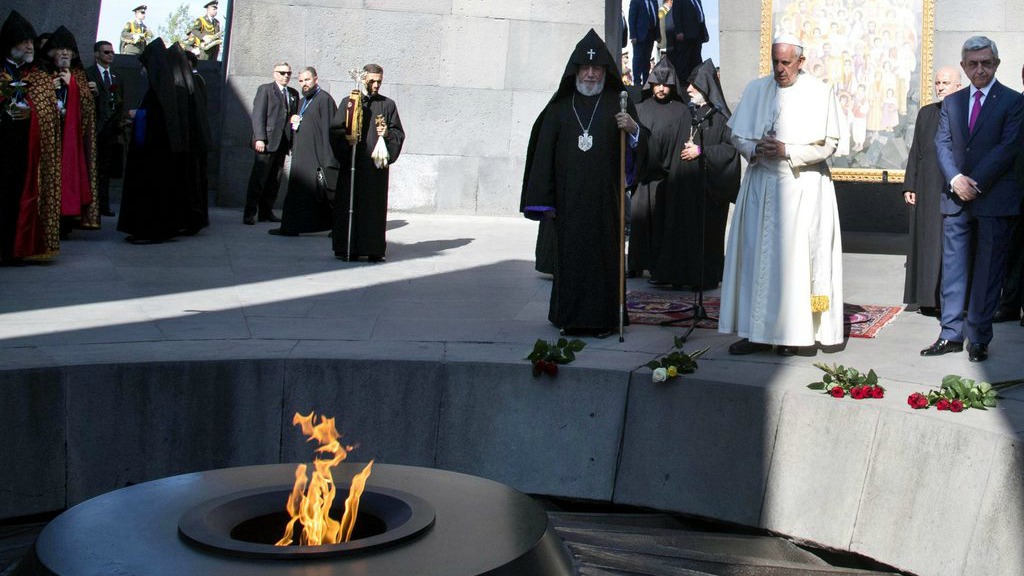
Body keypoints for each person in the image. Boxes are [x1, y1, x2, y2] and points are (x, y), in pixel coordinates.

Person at [719, 35, 843, 356]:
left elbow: (828, 144)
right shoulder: (756, 89)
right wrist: (754, 147)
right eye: (775, 61)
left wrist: (788, 150)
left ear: (801, 62)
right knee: (755, 260)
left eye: (786, 62)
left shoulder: (819, 92)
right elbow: (736, 135)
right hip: (761, 184)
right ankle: (754, 332)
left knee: (794, 264)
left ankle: (793, 334)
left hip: (802, 187)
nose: (779, 68)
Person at [520, 29, 646, 338]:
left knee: (605, 261)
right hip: (569, 202)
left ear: (605, 70)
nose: (591, 74)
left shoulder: (620, 104)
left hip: (607, 203)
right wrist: (544, 201)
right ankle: (570, 318)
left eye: (597, 68)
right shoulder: (560, 108)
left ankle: (604, 320)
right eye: (585, 68)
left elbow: (641, 153)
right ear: (576, 70)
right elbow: (543, 156)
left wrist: (633, 131)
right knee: (572, 260)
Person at [924, 36, 1024, 362]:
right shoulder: (952, 103)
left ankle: (978, 337)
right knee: (953, 270)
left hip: (993, 199)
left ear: (995, 64)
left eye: (986, 63)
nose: (979, 69)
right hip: (955, 199)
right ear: (964, 66)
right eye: (973, 63)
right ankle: (950, 334)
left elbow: (1007, 149)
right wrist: (955, 179)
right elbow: (942, 144)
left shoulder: (1012, 101)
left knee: (987, 273)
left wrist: (973, 182)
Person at [647, 58, 739, 288]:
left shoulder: (722, 119)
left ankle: (702, 277)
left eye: (694, 86)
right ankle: (676, 275)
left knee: (703, 236)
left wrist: (702, 151)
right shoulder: (686, 115)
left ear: (707, 87)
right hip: (681, 188)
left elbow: (730, 152)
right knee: (678, 232)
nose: (688, 89)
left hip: (706, 192)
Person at [117, 40, 209, 242]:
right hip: (165, 154)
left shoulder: (161, 91)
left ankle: (153, 230)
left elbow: (154, 122)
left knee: (154, 194)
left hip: (154, 155)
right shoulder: (171, 90)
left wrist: (138, 116)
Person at [902, 66, 962, 317]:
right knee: (926, 242)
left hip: (951, 188)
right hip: (925, 186)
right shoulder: (927, 113)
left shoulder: (964, 113)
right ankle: (925, 297)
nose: (940, 87)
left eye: (945, 83)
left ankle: (947, 299)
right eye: (937, 83)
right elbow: (916, 151)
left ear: (958, 86)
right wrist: (910, 185)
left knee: (947, 244)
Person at [330, 63, 405, 262]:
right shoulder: (350, 102)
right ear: (363, 79)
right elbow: (336, 130)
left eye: (379, 81)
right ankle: (347, 247)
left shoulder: (387, 105)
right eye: (372, 81)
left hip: (374, 170)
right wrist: (347, 141)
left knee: (373, 208)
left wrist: (388, 134)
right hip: (353, 166)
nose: (375, 85)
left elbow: (398, 133)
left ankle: (373, 248)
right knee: (349, 205)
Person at [630, 57, 686, 280]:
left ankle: (658, 266)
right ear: (650, 84)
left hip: (667, 177)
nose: (661, 89)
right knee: (639, 221)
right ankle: (635, 263)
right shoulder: (640, 109)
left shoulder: (682, 111)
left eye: (666, 85)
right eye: (658, 83)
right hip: (644, 177)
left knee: (662, 223)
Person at [270, 67, 337, 236]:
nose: (304, 84)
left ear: (315, 79)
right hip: (301, 156)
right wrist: (292, 122)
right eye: (301, 81)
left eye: (307, 80)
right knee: (296, 193)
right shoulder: (302, 101)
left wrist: (327, 159)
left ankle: (335, 226)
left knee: (322, 194)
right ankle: (291, 226)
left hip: (317, 156)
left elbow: (330, 130)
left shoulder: (324, 99)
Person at [46, 26, 100, 237]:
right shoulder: (43, 73)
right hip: (50, 138)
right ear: (52, 52)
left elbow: (88, 106)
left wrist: (73, 86)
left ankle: (66, 222)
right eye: (60, 49)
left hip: (73, 141)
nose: (65, 53)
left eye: (69, 49)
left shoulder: (78, 74)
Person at [0, 10, 36, 265]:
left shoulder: (34, 74)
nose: (29, 46)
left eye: (30, 42)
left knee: (16, 196)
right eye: (24, 41)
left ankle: (14, 249)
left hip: (23, 146)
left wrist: (32, 113)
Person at [243, 61, 298, 225]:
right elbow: (258, 114)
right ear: (274, 73)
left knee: (275, 179)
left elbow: (292, 116)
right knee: (259, 178)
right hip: (266, 142)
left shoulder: (293, 93)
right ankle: (250, 212)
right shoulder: (266, 89)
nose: (286, 76)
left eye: (288, 73)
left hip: (283, 142)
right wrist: (259, 137)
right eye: (282, 73)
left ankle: (266, 212)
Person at [85, 40, 124, 218]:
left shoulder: (116, 76)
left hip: (110, 130)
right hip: (94, 128)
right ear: (97, 54)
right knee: (91, 167)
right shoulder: (88, 73)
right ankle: (89, 206)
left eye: (112, 52)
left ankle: (103, 205)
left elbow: (120, 101)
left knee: (106, 169)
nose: (110, 55)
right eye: (106, 52)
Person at [671, 0, 709, 90]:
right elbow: (676, 14)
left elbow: (701, 16)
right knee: (684, 59)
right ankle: (683, 83)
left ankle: (696, 82)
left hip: (698, 34)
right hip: (686, 34)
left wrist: (705, 33)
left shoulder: (697, 1)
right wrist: (679, 31)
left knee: (696, 59)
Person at [628, 0, 658, 87]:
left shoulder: (654, 2)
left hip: (651, 34)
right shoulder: (636, 1)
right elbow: (632, 18)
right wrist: (633, 35)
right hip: (639, 35)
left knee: (647, 58)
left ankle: (646, 81)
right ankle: (637, 81)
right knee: (638, 58)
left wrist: (658, 34)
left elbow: (656, 18)